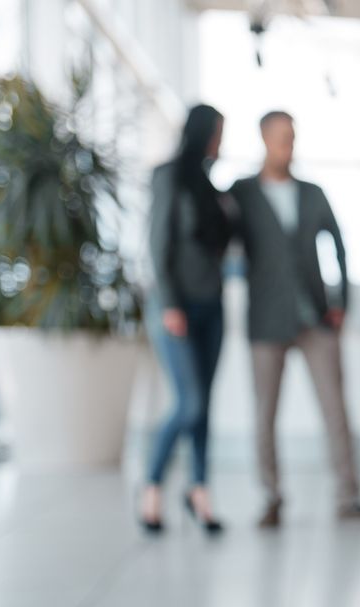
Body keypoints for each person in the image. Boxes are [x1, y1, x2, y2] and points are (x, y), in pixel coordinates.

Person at [230, 111, 360, 526]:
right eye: (282, 137)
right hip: (267, 321)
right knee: (265, 411)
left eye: (293, 136)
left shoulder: (313, 193)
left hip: (317, 319)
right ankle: (272, 497)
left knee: (335, 409)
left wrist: (341, 305)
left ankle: (349, 497)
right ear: (264, 139)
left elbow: (338, 247)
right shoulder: (242, 193)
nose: (289, 145)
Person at [139, 104, 234, 535]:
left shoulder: (211, 187)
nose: (220, 142)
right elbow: (159, 245)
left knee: (205, 407)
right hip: (175, 306)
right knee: (189, 402)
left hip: (212, 304)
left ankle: (199, 491)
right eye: (217, 133)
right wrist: (172, 304)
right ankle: (152, 488)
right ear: (201, 132)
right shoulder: (168, 177)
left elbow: (223, 247)